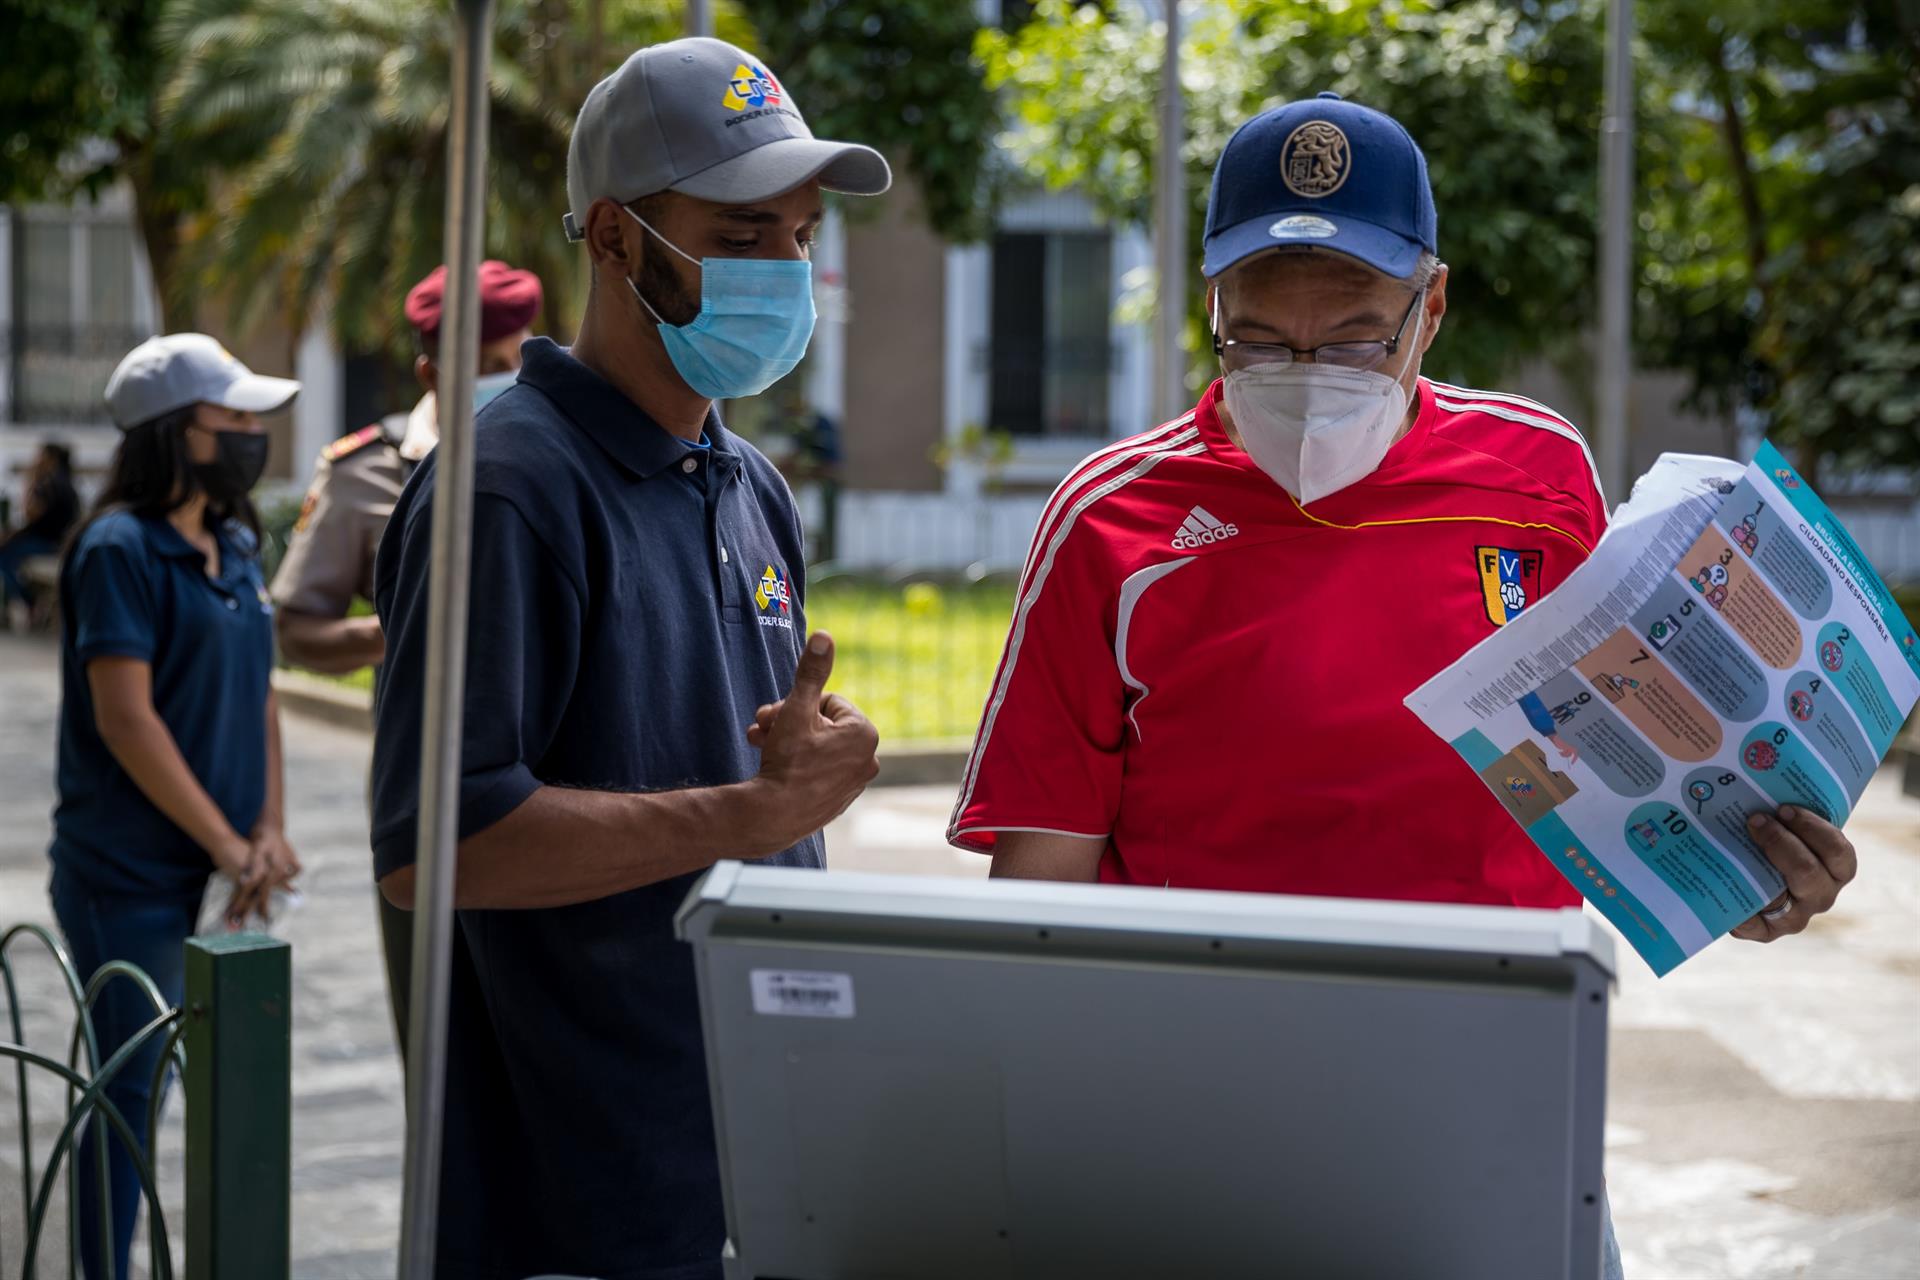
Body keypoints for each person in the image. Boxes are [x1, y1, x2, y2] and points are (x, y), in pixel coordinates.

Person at [949, 94, 1860, 1280]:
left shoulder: (1541, 477)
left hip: (1501, 1089)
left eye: (1355, 336)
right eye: (1262, 340)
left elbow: (1639, 779)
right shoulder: (1108, 522)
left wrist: (1750, 873)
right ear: (1210, 310)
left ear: (1431, 309)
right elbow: (1040, 913)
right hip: (1199, 1119)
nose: (1307, 376)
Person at [370, 37, 888, 1279]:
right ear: (611, 240)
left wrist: (792, 784)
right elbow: (442, 845)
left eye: (804, 237)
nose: (789, 269)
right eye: (745, 233)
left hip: (744, 1172)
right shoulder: (509, 486)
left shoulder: (747, 481)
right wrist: (751, 810)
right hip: (566, 1211)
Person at [52, 333, 303, 1280]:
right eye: (232, 417)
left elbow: (262, 693)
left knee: (212, 1087)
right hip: (127, 874)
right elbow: (127, 721)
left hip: (224, 857)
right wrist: (229, 843)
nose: (251, 434)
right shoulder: (119, 549)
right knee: (130, 1096)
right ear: (173, 432)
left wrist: (267, 831)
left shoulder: (233, 542)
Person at [270, 257, 541, 1060]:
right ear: (430, 369)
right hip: (430, 780)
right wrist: (402, 630)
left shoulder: (562, 457)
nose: (507, 378)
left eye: (516, 359)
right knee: (440, 1037)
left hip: (556, 772)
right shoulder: (367, 470)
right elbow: (297, 627)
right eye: (487, 367)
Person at [1, 440, 80, 625]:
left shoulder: (49, 483)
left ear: (50, 458)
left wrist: (31, 481)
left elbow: (31, 513)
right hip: (58, 542)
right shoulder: (66, 481)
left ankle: (29, 602)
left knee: (3, 558)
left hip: (46, 544)